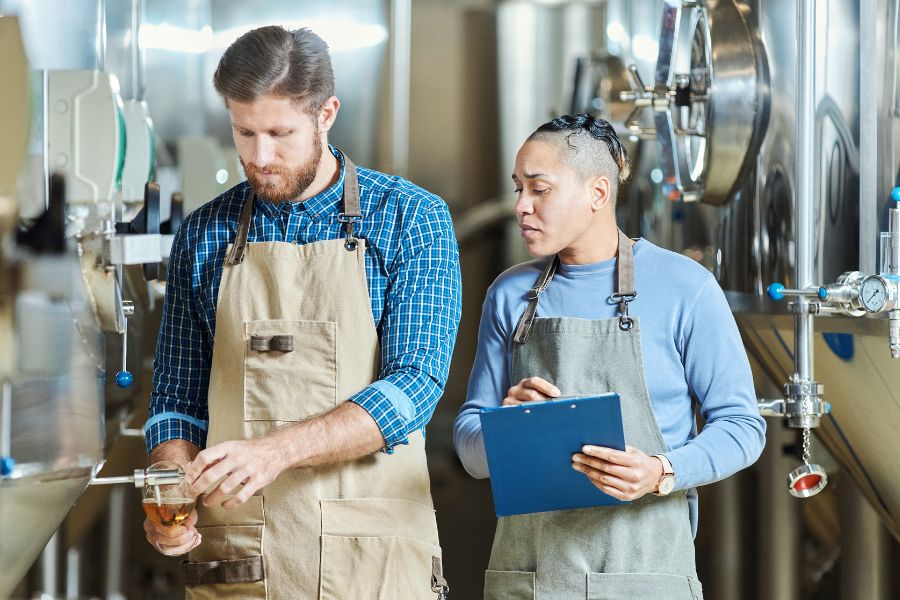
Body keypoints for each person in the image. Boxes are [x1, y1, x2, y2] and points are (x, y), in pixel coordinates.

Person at [142, 25, 460, 599]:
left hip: (368, 559)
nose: (260, 157)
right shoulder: (204, 233)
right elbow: (177, 401)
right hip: (240, 558)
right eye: (244, 132)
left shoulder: (412, 218)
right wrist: (171, 486)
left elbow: (416, 385)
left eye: (280, 133)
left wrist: (277, 450)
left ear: (326, 113)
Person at [453, 113, 765, 599]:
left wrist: (662, 471)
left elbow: (743, 427)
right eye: (518, 189)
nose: (521, 207)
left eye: (539, 189)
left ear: (598, 193)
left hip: (645, 577)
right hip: (528, 581)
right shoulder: (509, 294)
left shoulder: (686, 288)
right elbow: (471, 450)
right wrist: (502, 425)